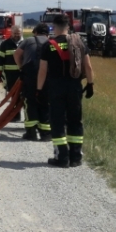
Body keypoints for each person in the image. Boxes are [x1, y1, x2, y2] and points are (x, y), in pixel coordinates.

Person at [37, 14, 95, 168]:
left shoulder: (49, 45)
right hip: (75, 86)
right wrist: (90, 84)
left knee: (57, 121)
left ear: (54, 27)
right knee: (75, 121)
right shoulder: (79, 42)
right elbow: (88, 66)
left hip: (56, 87)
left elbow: (42, 71)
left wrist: (39, 89)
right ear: (68, 27)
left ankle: (62, 157)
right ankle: (75, 157)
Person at [14, 23, 52, 141]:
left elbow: (17, 54)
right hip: (47, 75)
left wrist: (21, 67)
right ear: (47, 34)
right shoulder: (51, 43)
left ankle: (31, 132)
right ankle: (45, 133)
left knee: (30, 101)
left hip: (30, 75)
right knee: (45, 101)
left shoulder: (29, 40)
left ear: (35, 32)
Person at [0, 24, 23, 94]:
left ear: (21, 33)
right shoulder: (5, 44)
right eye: (15, 33)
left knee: (22, 93)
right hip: (10, 74)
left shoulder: (25, 43)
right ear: (11, 33)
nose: (16, 35)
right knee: (12, 92)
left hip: (22, 73)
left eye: (18, 33)